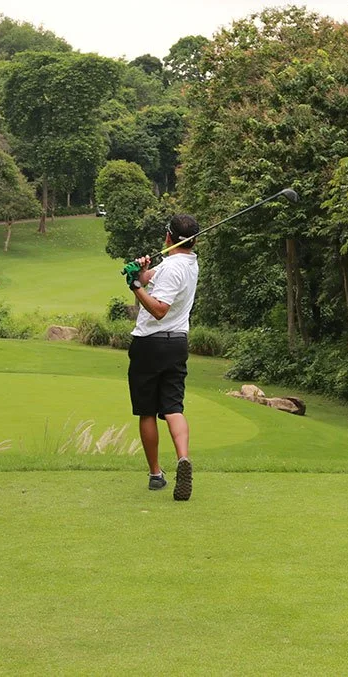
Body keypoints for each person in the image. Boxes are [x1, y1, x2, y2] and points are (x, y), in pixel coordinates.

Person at [126, 214, 200, 501]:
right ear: (193, 241)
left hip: (150, 343)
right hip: (177, 343)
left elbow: (159, 309)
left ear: (169, 236)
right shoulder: (190, 264)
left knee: (147, 411)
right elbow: (151, 278)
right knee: (173, 407)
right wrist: (142, 272)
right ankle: (183, 458)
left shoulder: (171, 267)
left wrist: (135, 287)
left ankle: (156, 474)